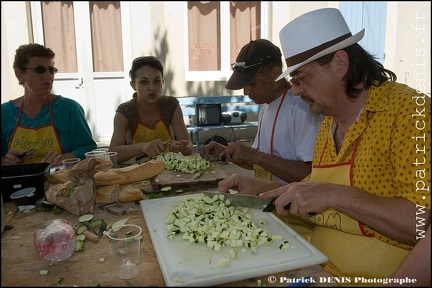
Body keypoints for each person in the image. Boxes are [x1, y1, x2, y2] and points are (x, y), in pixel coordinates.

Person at [217, 8, 431, 279]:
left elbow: (421, 223)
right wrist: (263, 190)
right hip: (317, 270)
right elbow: (315, 200)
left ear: (340, 63)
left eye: (300, 78)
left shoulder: (409, 113)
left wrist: (333, 194)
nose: (295, 90)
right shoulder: (328, 123)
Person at [200, 39, 323, 184]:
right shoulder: (266, 104)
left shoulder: (302, 108)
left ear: (274, 73)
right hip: (269, 198)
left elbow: (310, 174)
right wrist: (226, 152)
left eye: (252, 84)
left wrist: (256, 156)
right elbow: (260, 163)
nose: (246, 91)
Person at [1, 43, 97, 166]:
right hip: (17, 183)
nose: (48, 76)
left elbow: (88, 148)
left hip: (62, 183)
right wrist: (6, 161)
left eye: (52, 70)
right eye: (39, 70)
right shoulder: (4, 113)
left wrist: (64, 158)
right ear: (20, 74)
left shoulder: (69, 108)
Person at [109, 56, 193, 163]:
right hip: (137, 171)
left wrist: (183, 148)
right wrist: (142, 147)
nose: (152, 88)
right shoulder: (125, 112)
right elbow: (112, 155)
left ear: (163, 82)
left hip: (169, 169)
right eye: (144, 82)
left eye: (157, 81)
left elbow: (189, 146)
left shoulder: (171, 106)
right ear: (133, 85)